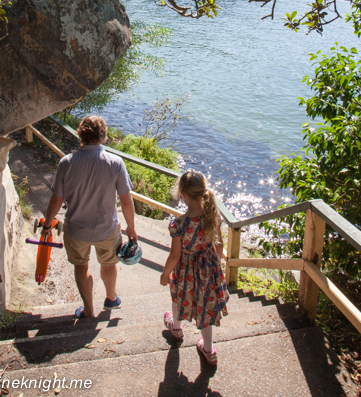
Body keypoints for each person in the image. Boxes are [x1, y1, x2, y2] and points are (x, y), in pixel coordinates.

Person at [42, 115, 137, 318]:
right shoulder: (115, 162)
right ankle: (111, 299)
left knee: (81, 265)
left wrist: (47, 225)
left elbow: (56, 200)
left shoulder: (66, 163)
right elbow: (126, 201)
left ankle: (89, 310)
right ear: (103, 136)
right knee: (109, 263)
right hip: (107, 228)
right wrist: (131, 227)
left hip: (76, 229)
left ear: (80, 134)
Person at [160, 170, 229, 366]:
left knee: (179, 297)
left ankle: (176, 327)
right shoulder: (212, 216)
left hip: (186, 271)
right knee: (206, 307)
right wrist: (215, 266)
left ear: (181, 194)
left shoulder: (179, 224)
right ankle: (209, 349)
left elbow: (175, 255)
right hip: (208, 268)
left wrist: (165, 274)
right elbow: (219, 245)